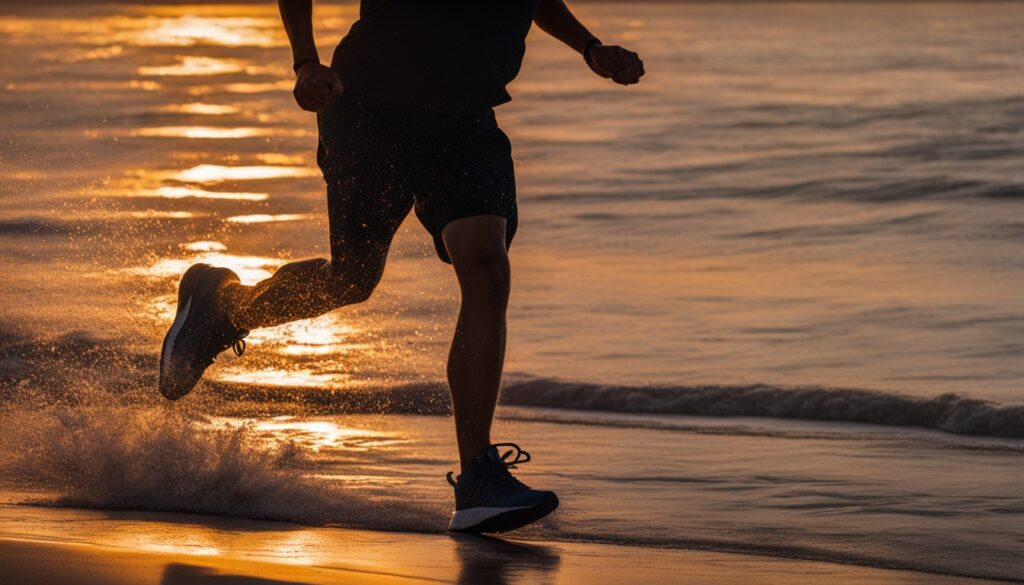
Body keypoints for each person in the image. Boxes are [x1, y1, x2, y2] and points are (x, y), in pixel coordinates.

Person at [159, 0, 644, 534]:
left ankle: (478, 475)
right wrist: (305, 63)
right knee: (352, 279)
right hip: (369, 108)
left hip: (464, 122)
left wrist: (589, 47)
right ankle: (222, 307)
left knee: (487, 266)